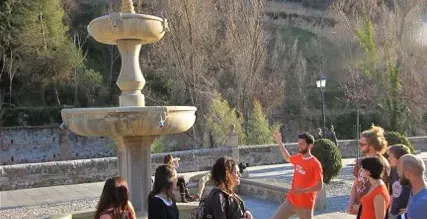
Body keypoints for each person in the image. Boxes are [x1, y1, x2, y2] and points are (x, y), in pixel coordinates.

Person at [272, 131, 324, 219]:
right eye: (298, 143)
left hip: (305, 205)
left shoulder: (315, 164)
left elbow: (320, 186)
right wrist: (279, 142)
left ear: (310, 146)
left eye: (302, 144)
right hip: (291, 201)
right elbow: (287, 157)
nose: (299, 145)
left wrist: (302, 191)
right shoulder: (299, 157)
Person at [348, 125, 391, 216]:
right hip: (361, 210)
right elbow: (355, 185)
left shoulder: (381, 164)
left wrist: (361, 207)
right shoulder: (360, 162)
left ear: (371, 146)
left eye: (362, 144)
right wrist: (351, 204)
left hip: (374, 211)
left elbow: (382, 191)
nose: (359, 146)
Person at [397, 154, 427, 219]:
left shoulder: (421, 203)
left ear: (407, 174)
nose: (398, 173)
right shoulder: (416, 191)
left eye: (399, 169)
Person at [386, 145, 411, 219]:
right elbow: (392, 191)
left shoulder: (410, 172)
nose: (388, 158)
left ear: (399, 159)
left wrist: (409, 208)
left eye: (391, 156)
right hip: (393, 212)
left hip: (405, 214)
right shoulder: (393, 170)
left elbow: (420, 190)